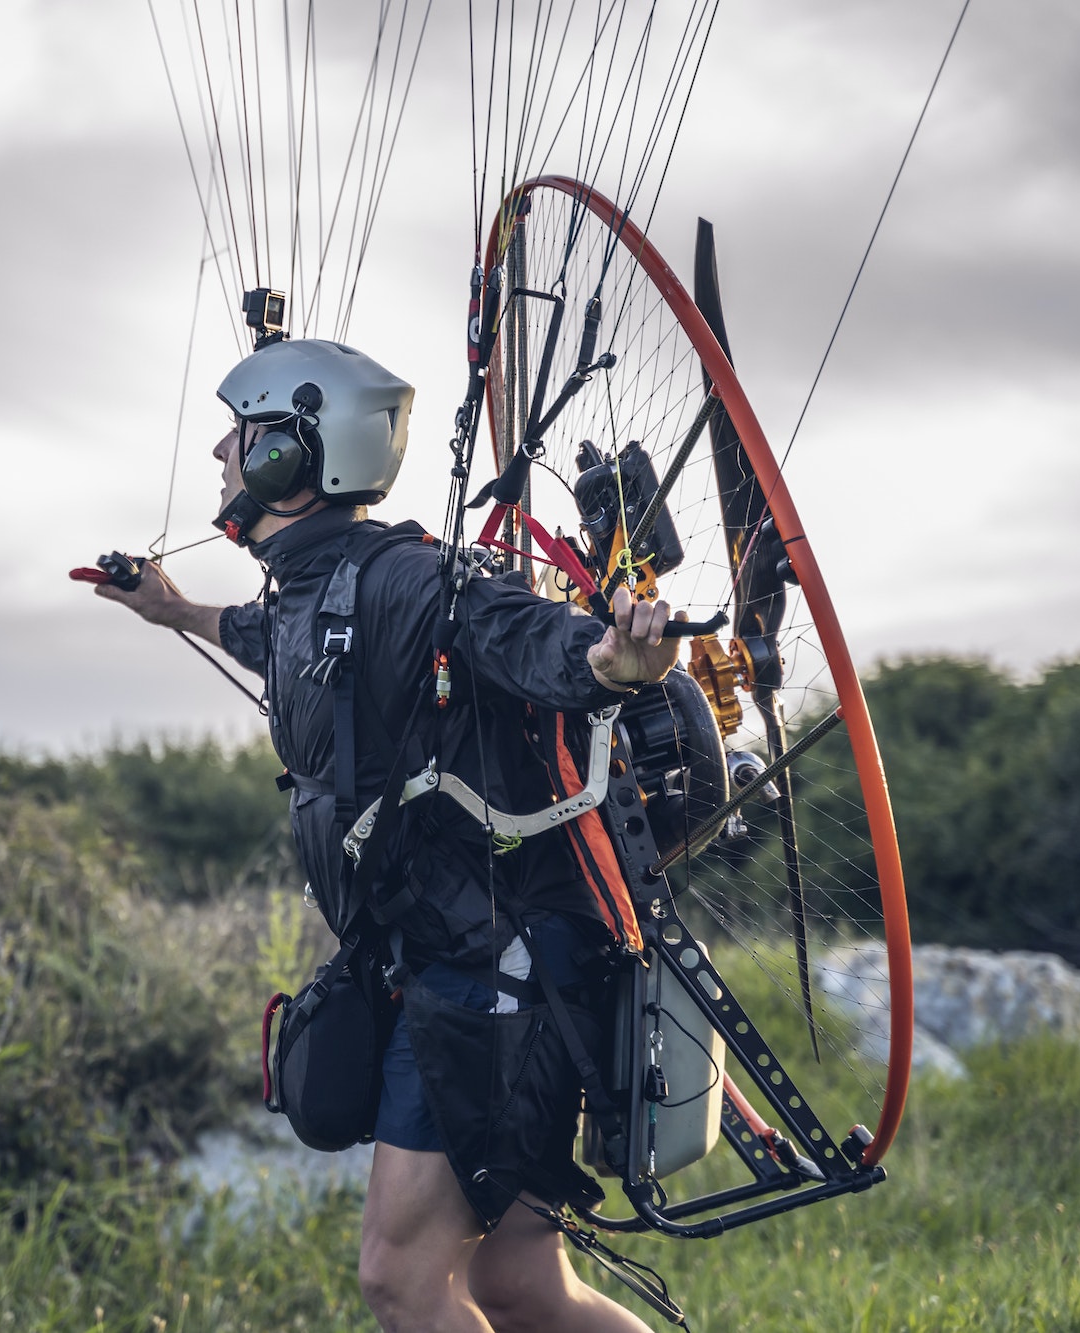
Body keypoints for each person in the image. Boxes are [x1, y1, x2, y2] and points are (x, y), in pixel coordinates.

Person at [88, 336, 677, 1333]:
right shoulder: (310, 592)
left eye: (243, 436)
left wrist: (611, 661)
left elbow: (515, 632)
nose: (221, 456)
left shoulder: (405, 578)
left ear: (292, 455)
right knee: (519, 1286)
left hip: (494, 968)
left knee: (401, 1280)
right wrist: (173, 610)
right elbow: (273, 639)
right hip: (462, 957)